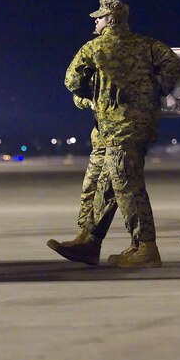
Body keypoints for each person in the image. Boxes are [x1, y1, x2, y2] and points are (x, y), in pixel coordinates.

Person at [64, 0, 180, 268]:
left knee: (128, 187)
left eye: (100, 17)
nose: (95, 21)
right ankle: (89, 241)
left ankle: (146, 248)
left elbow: (71, 81)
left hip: (116, 128)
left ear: (111, 20)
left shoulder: (94, 48)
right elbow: (171, 62)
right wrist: (161, 90)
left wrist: (91, 95)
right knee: (109, 185)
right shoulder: (147, 44)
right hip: (138, 127)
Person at [45, 95, 117, 266]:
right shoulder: (96, 70)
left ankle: (92, 242)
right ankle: (84, 238)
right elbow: (76, 90)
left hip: (120, 133)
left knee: (108, 190)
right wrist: (90, 101)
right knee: (90, 188)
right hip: (101, 137)